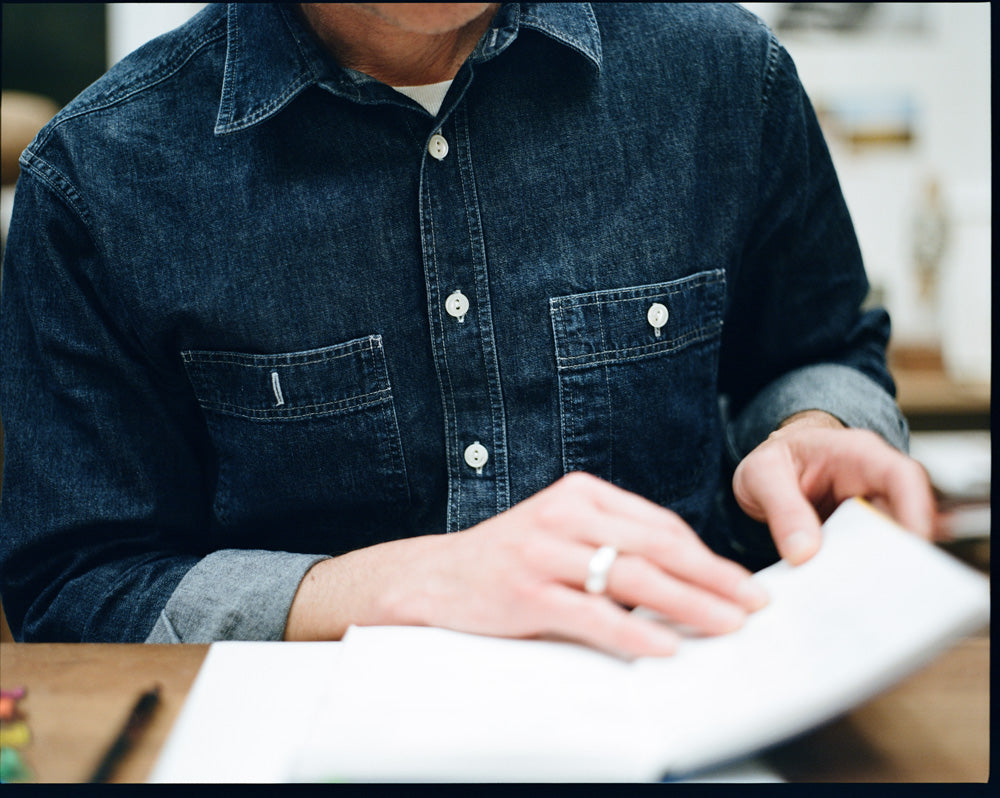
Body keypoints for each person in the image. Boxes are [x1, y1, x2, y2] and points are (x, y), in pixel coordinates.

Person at [0, 3, 933, 655]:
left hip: (692, 714)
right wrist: (379, 590)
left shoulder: (724, 75)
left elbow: (824, 351)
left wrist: (816, 430)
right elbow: (77, 584)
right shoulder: (101, 179)